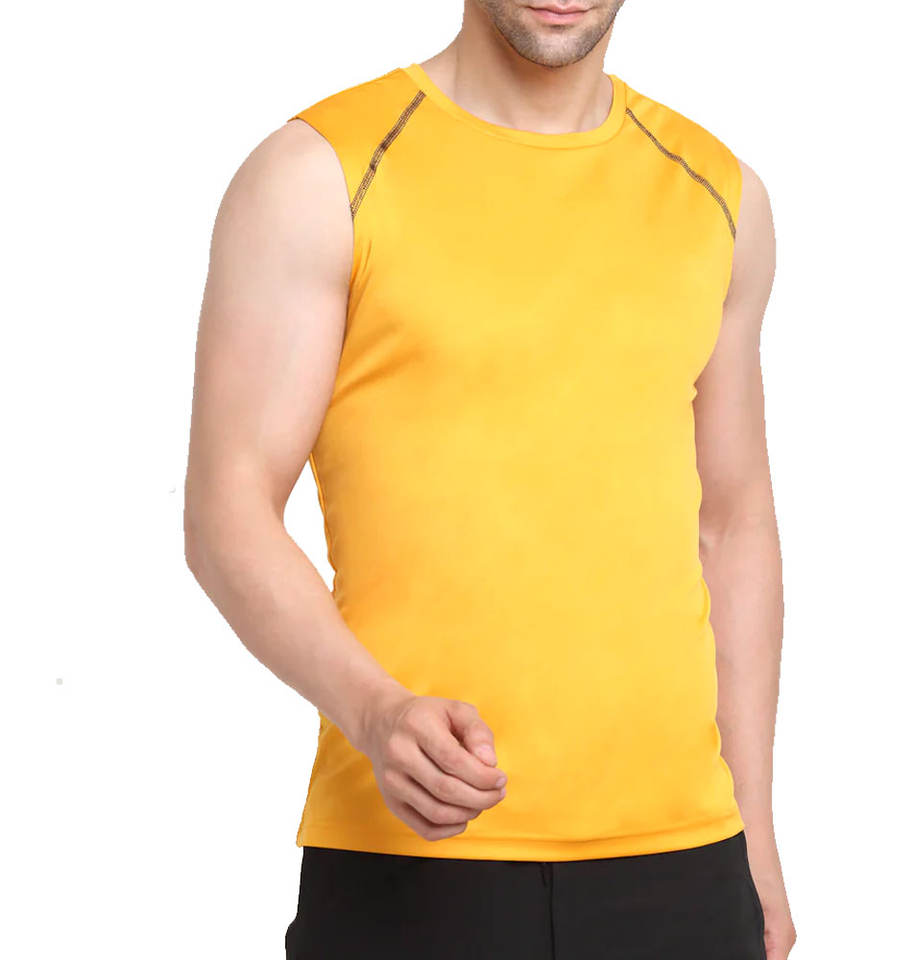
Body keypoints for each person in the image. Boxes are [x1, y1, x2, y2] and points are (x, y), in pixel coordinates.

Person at [184, 1, 795, 957]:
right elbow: (228, 509)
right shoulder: (320, 173)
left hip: (685, 863)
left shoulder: (721, 194)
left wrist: (754, 840)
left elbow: (733, 521)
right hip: (413, 853)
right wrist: (374, 711)